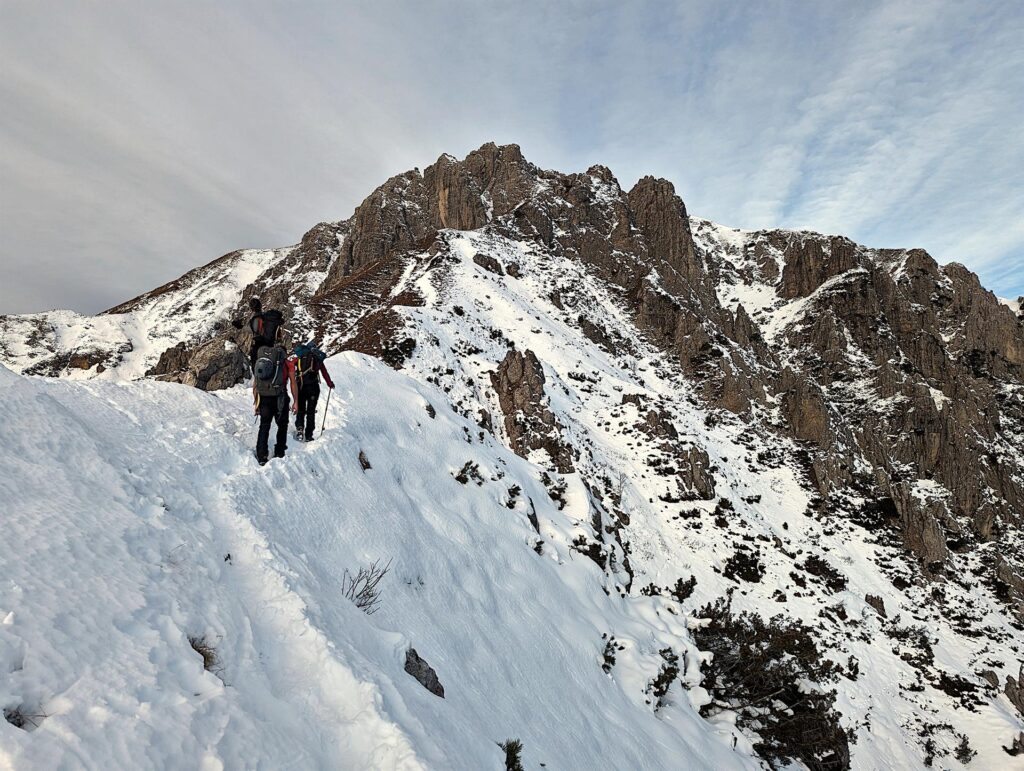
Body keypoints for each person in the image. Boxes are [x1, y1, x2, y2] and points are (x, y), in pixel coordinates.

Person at [252, 327, 298, 465]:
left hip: (264, 397)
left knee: (264, 425)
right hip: (280, 398)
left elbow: (256, 384)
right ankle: (279, 453)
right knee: (282, 425)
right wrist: (296, 401)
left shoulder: (264, 361)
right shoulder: (288, 364)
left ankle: (261, 455)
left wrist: (256, 403)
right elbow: (293, 384)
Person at [291, 341, 334, 442]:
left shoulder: (299, 358)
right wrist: (330, 384)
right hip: (313, 389)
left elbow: (291, 366)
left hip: (301, 387)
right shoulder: (318, 359)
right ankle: (309, 435)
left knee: (301, 409)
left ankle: (300, 428)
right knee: (311, 411)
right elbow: (324, 373)